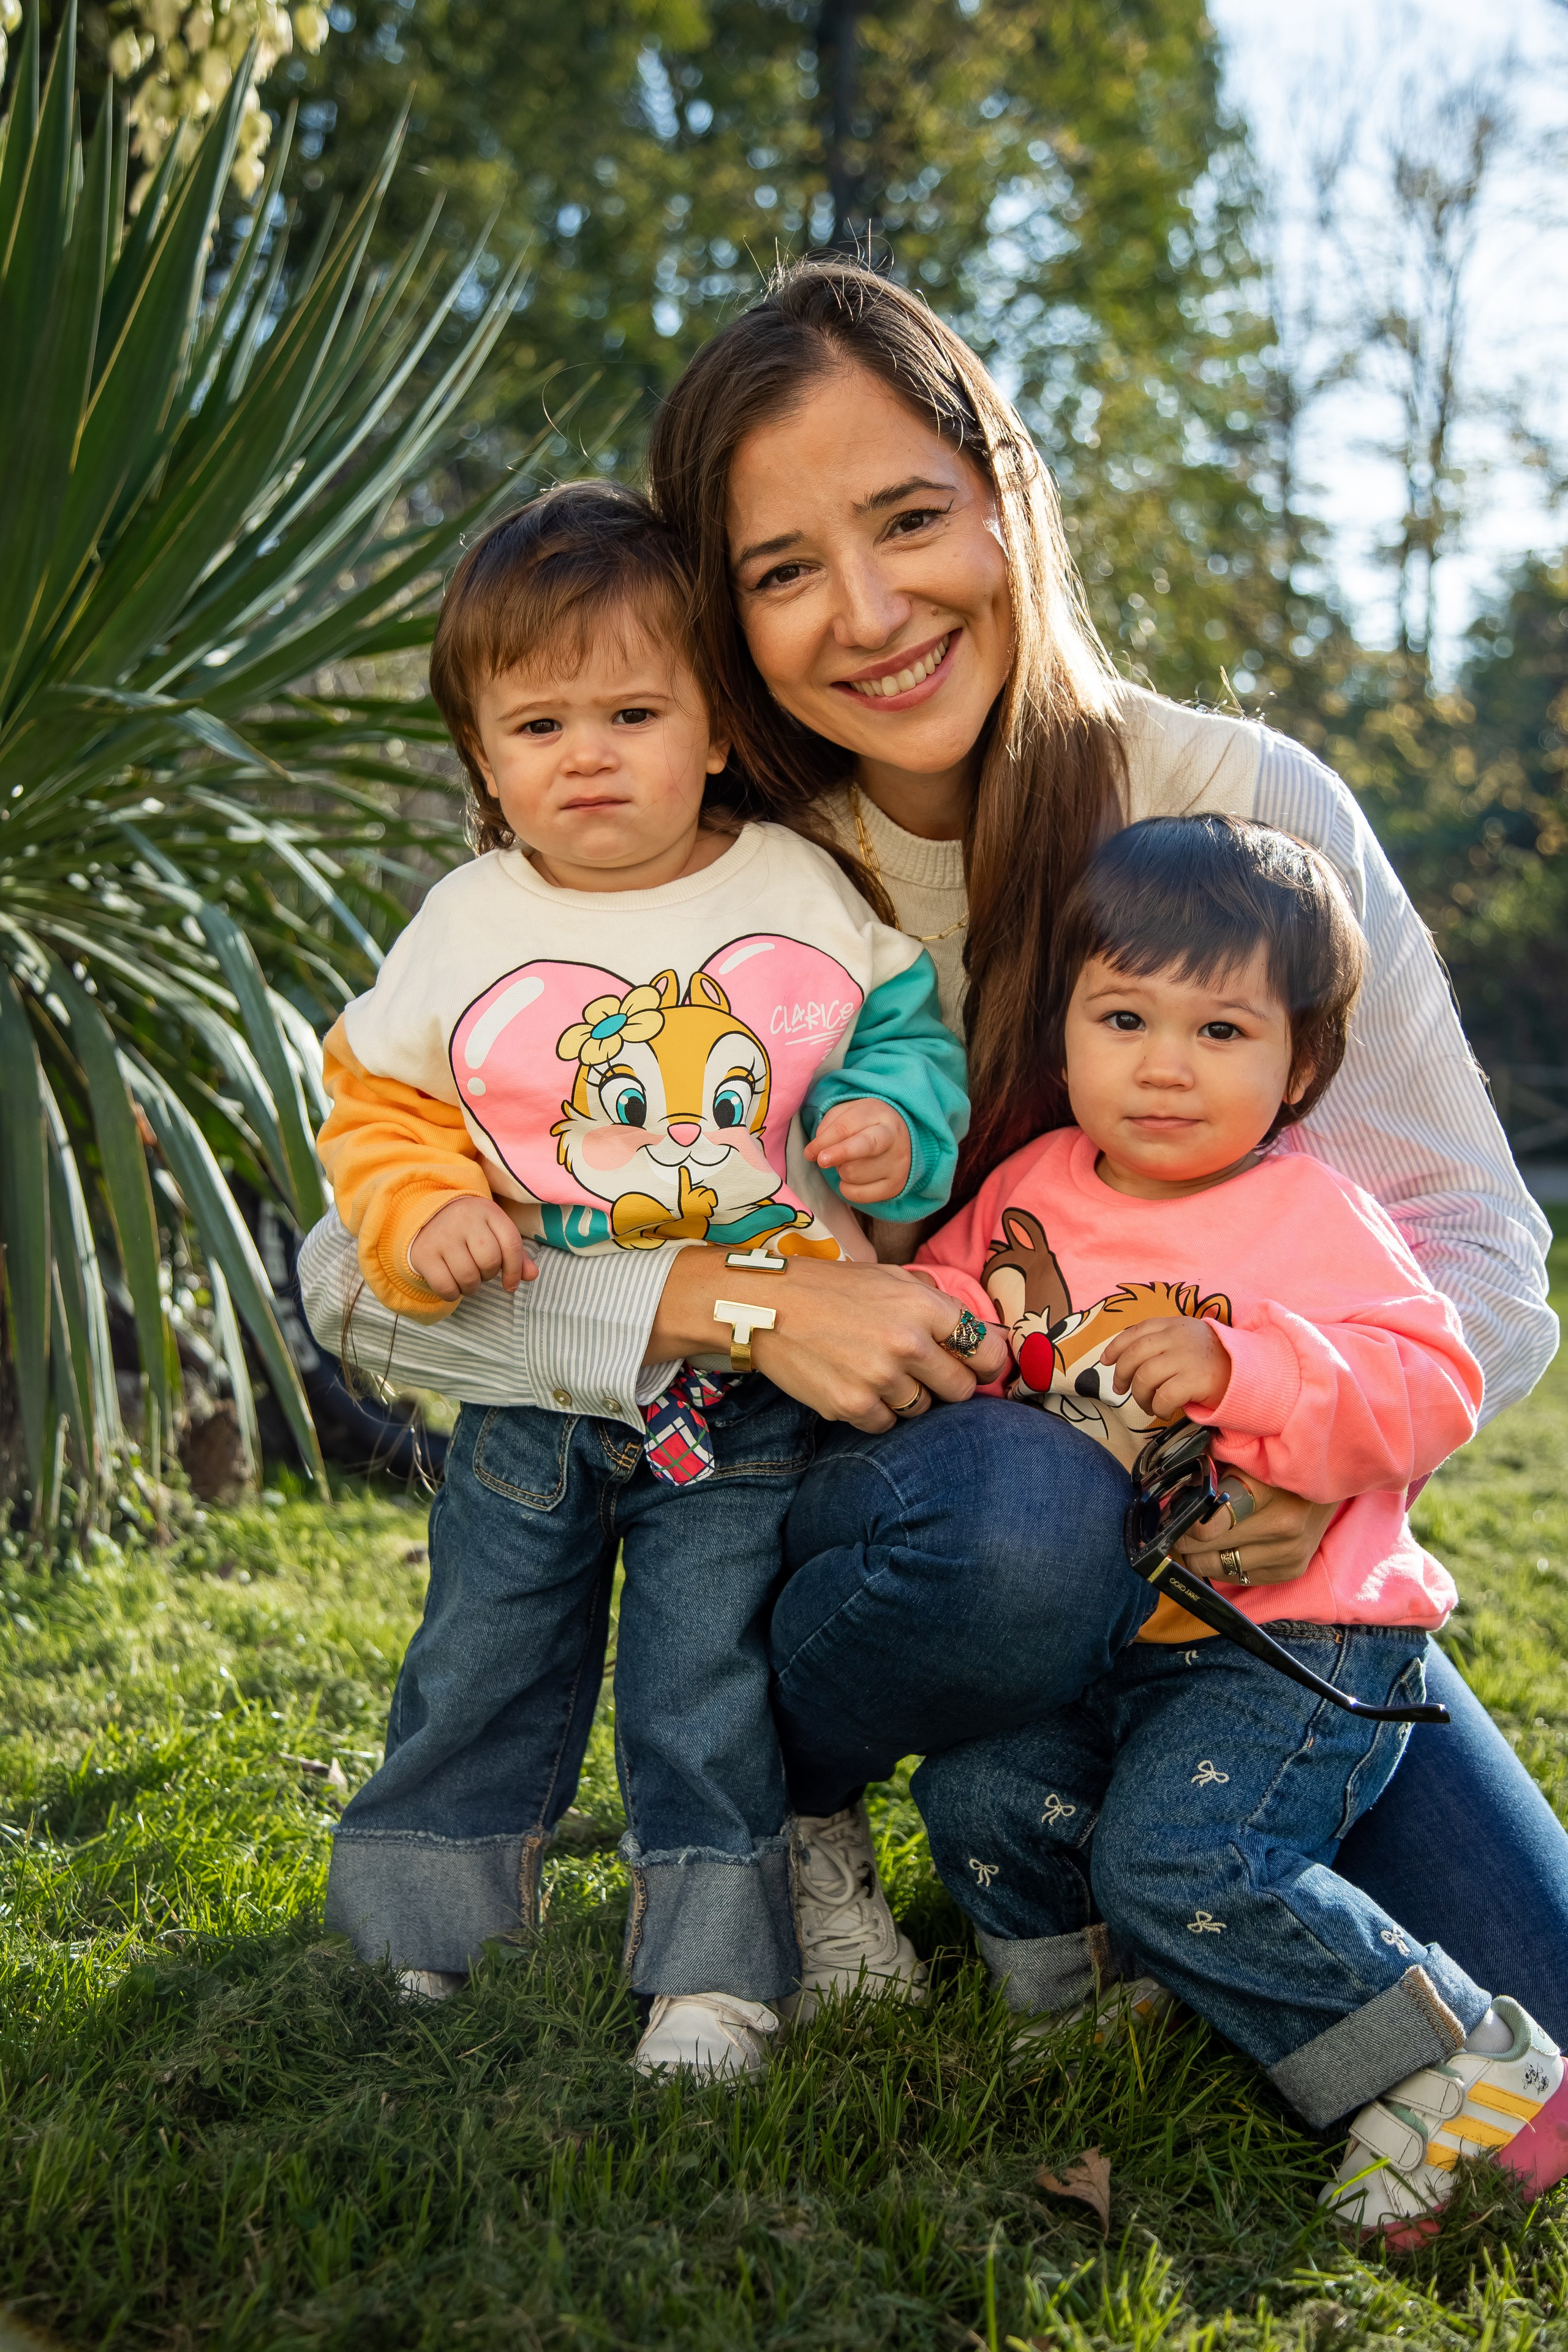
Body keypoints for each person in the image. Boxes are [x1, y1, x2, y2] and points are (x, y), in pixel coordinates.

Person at [299, 258, 1568, 2057]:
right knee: (1020, 1518)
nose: (872, 610)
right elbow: (352, 1283)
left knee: (1543, 2015)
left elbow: (1471, 1240)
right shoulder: (693, 863)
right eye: (782, 570)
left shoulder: (1233, 806)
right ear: (724, 625)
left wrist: (1324, 1462)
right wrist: (742, 1305)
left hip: (1231, 1540)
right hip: (855, 1509)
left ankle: (1076, 1822)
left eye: (909, 519)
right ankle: (795, 1802)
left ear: (1010, 493)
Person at [313, 481, 972, 2077]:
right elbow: (378, 1101)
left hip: (742, 1405)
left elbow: (899, 1037)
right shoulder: (466, 921)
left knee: (701, 1680)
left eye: (631, 713)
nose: (587, 756)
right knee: (481, 1659)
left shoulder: (793, 892)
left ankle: (713, 1975)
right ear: (482, 758)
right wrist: (425, 1210)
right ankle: (420, 1930)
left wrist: (892, 1125)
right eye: (537, 725)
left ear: (719, 729)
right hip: (540, 1395)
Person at [907, 812, 1564, 2237]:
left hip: (1291, 1644)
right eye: (1124, 1018)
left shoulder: (1309, 1214)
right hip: (1102, 1637)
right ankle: (1110, 2006)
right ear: (1063, 1031)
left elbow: (1432, 1385)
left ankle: (1456, 2065)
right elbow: (961, 1310)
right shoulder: (1028, 1190)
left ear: (1299, 1067)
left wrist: (1244, 1368)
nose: (1163, 1065)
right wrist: (932, 1333)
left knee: (1182, 1858)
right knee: (978, 1796)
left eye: (1219, 1031)